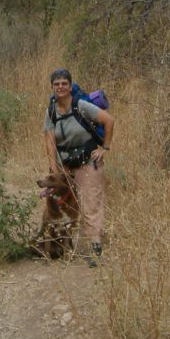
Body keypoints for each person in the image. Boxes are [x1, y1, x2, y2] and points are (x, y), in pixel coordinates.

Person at [43, 68, 114, 266]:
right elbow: (49, 141)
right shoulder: (50, 111)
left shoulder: (81, 105)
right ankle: (62, 244)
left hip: (88, 160)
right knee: (62, 202)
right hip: (65, 163)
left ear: (70, 86)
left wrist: (105, 148)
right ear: (52, 87)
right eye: (56, 84)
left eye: (64, 83)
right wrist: (53, 168)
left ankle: (94, 247)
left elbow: (109, 121)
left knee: (91, 202)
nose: (60, 87)